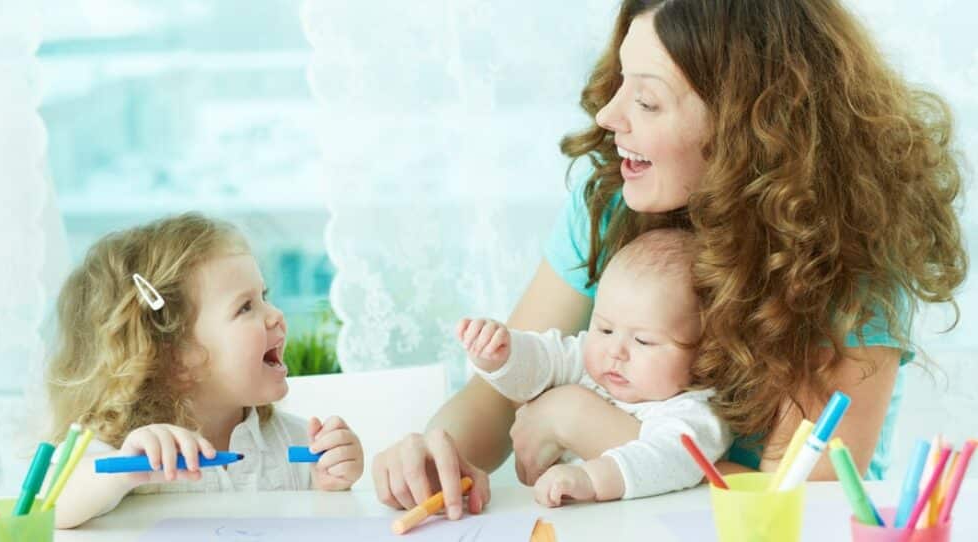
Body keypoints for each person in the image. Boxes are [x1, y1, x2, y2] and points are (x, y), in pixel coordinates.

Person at [372, 0, 965, 521]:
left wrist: (580, 420)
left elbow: (790, 500)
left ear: (748, 127)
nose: (608, 116)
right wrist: (435, 451)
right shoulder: (609, 208)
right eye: (621, 82)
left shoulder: (846, 272)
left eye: (647, 100)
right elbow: (498, 394)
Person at [46, 213, 364, 528]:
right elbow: (52, 506)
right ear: (174, 356)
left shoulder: (297, 444)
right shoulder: (120, 445)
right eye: (245, 307)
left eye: (263, 297)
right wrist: (124, 469)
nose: (276, 315)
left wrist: (329, 485)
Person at [460, 228, 730, 506]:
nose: (615, 351)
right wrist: (501, 355)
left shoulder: (694, 413)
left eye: (643, 340)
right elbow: (542, 361)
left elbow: (668, 460)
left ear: (704, 354)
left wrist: (592, 478)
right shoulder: (589, 359)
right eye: (605, 329)